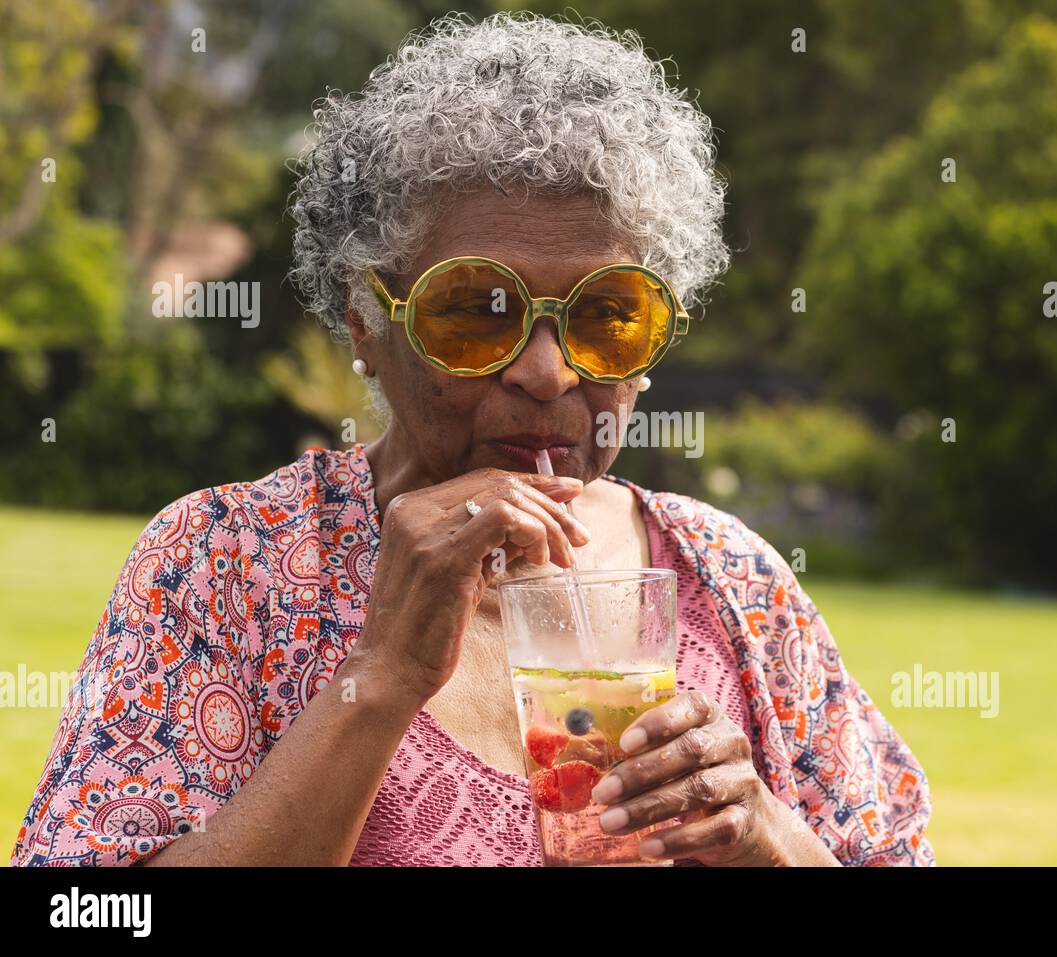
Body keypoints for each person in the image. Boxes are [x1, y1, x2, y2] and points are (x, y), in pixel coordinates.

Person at [11, 11, 934, 867]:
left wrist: (766, 830)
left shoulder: (730, 581)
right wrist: (381, 676)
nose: (547, 371)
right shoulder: (223, 566)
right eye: (477, 312)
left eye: (608, 316)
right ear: (367, 319)